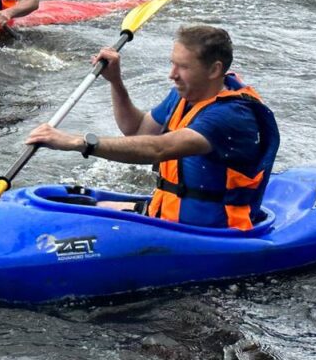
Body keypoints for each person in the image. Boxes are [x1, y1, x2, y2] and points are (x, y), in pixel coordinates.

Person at [26, 25, 280, 231]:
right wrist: (115, 81)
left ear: (214, 70)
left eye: (183, 66)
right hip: (168, 216)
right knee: (84, 208)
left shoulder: (231, 116)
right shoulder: (184, 96)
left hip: (214, 230)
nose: (172, 74)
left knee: (84, 227)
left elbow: (158, 148)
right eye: (173, 63)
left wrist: (77, 142)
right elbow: (137, 131)